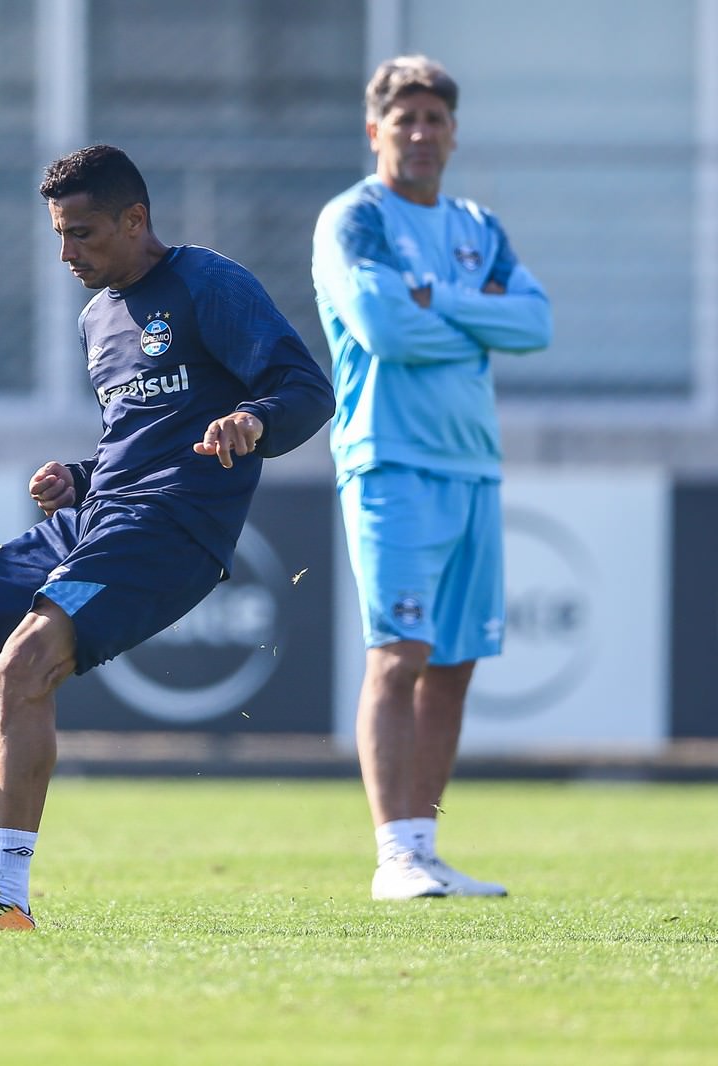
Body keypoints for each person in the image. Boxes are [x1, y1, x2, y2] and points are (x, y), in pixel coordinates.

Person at [0, 144, 335, 930]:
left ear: (134, 220)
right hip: (101, 516)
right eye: (58, 234)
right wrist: (79, 477)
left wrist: (254, 418)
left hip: (172, 527)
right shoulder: (96, 319)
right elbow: (139, 436)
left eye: (82, 233)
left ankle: (7, 897)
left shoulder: (208, 283)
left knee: (24, 663)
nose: (66, 254)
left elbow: (307, 389)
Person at [311, 56, 552, 900]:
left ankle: (425, 845)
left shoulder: (478, 226)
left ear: (453, 133)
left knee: (454, 664)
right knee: (399, 653)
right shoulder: (355, 219)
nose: (420, 133)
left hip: (473, 463)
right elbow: (385, 329)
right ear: (374, 130)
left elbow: (536, 323)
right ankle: (393, 857)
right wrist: (477, 320)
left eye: (434, 119)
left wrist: (438, 301)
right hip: (391, 460)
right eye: (404, 119)